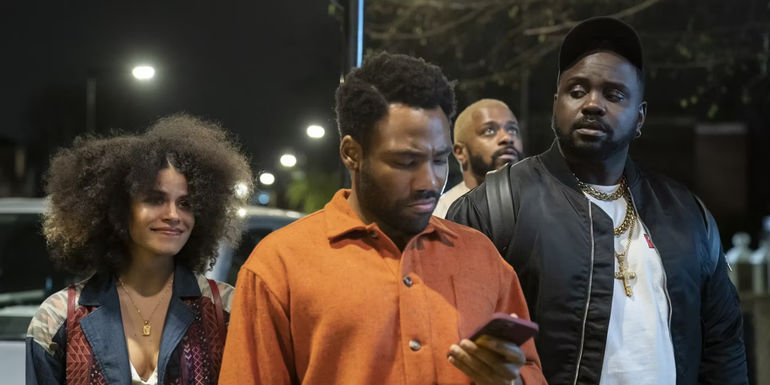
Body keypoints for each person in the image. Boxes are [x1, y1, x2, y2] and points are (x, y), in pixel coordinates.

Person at [447, 16, 747, 385]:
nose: (593, 104)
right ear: (556, 104)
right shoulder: (493, 206)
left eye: (614, 95)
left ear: (640, 118)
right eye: (577, 90)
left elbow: (723, 345)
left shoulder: (686, 214)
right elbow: (453, 343)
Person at [219, 52, 546, 385]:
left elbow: (530, 370)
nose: (430, 182)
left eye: (439, 160)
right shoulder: (278, 266)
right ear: (352, 153)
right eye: (406, 162)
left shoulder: (484, 258)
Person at [26, 114, 253, 385]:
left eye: (186, 203)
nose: (173, 214)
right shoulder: (57, 318)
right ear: (117, 209)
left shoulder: (226, 310)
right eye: (156, 200)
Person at [433, 99, 523, 218]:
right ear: (460, 152)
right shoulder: (439, 215)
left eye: (512, 130)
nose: (507, 138)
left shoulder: (540, 203)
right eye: (489, 131)